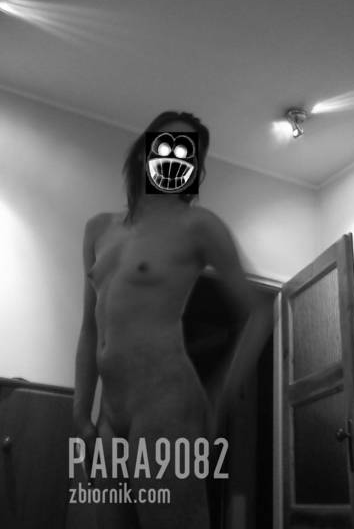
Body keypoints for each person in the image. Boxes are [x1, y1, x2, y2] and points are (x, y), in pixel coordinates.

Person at [73, 111, 257, 529]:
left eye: (188, 153)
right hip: (109, 414)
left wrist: (220, 394)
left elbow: (258, 310)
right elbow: (90, 328)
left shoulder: (198, 226)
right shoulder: (97, 230)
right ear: (144, 152)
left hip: (166, 406)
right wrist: (80, 413)